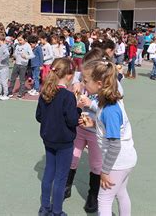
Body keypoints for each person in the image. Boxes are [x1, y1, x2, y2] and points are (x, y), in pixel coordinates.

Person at [80, 60, 137, 216]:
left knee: (104, 199)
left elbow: (114, 144)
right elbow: (108, 129)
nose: (83, 84)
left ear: (99, 83)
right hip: (125, 159)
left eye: (85, 81)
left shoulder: (110, 109)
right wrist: (93, 124)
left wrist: (104, 171)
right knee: (121, 193)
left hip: (117, 161)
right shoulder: (105, 102)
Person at [36, 58, 79, 216]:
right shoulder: (68, 96)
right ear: (68, 75)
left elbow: (39, 116)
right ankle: (57, 211)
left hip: (48, 138)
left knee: (48, 173)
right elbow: (72, 120)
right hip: (64, 141)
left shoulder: (45, 92)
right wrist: (78, 109)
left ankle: (45, 208)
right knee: (61, 178)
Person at [64, 48, 105, 213]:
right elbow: (74, 101)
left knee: (96, 164)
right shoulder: (80, 82)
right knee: (72, 157)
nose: (83, 77)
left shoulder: (105, 88)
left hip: (95, 131)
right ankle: (66, 186)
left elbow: (106, 111)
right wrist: (76, 93)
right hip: (79, 128)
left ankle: (93, 195)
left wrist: (90, 106)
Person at [8, 34, 34, 99]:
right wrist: (14, 57)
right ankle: (10, 91)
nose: (19, 41)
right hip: (16, 64)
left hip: (23, 65)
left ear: (25, 39)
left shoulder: (27, 46)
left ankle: (21, 92)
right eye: (18, 40)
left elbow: (32, 55)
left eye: (20, 40)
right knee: (12, 78)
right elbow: (16, 53)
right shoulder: (17, 45)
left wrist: (26, 57)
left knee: (22, 80)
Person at [0, 33, 10, 100]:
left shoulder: (4, 46)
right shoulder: (0, 47)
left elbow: (7, 54)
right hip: (0, 67)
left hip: (4, 67)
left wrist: (0, 60)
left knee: (4, 81)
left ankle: (6, 94)